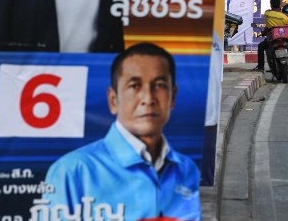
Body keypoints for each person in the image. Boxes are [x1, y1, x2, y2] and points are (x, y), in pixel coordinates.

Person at [42, 42, 201, 219]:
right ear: (113, 100)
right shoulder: (73, 170)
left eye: (159, 85)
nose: (148, 99)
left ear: (173, 97)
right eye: (134, 86)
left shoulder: (187, 170)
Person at [253, 0, 288, 82]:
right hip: (285, 39)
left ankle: (261, 68)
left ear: (271, 4)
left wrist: (263, 33)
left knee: (261, 46)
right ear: (279, 5)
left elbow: (268, 27)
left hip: (272, 39)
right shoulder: (285, 17)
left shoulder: (267, 14)